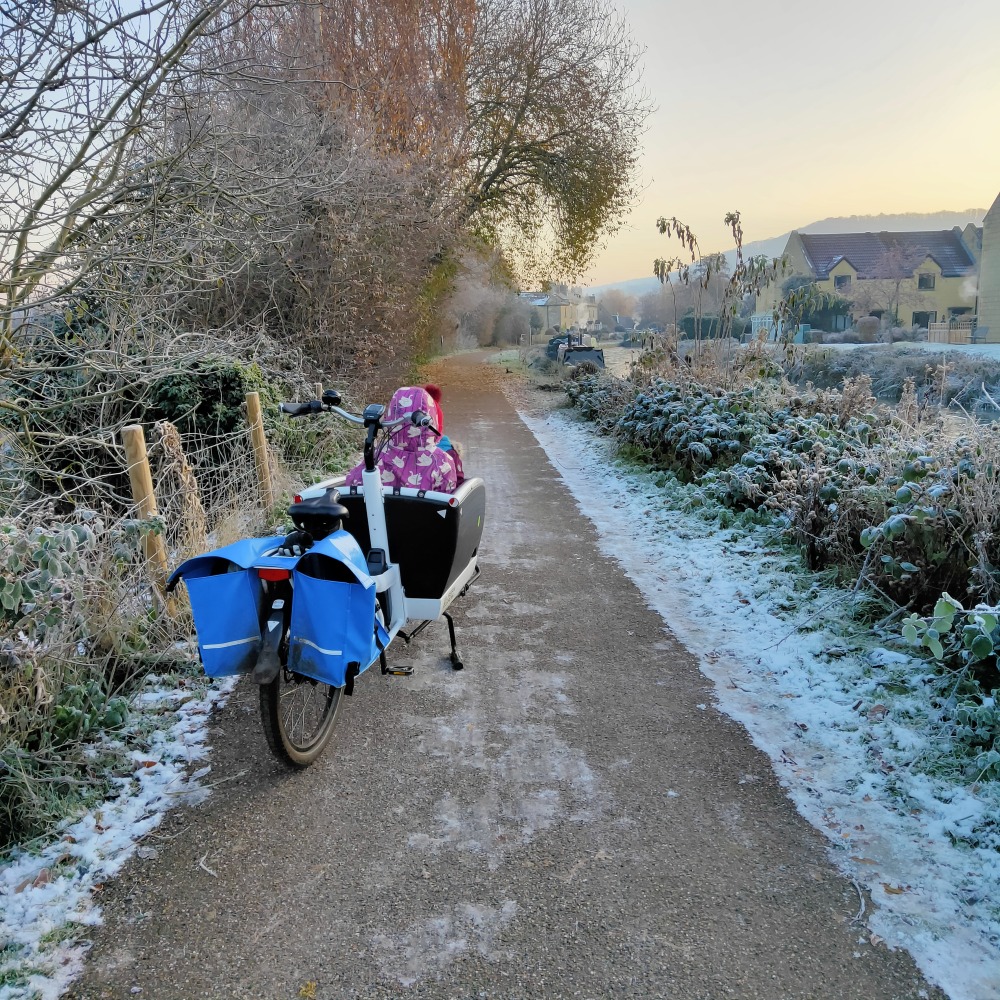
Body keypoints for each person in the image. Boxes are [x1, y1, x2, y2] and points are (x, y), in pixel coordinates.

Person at [344, 386, 457, 492]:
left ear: (392, 415)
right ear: (431, 417)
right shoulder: (442, 462)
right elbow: (447, 500)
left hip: (379, 512)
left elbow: (354, 483)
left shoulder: (377, 456)